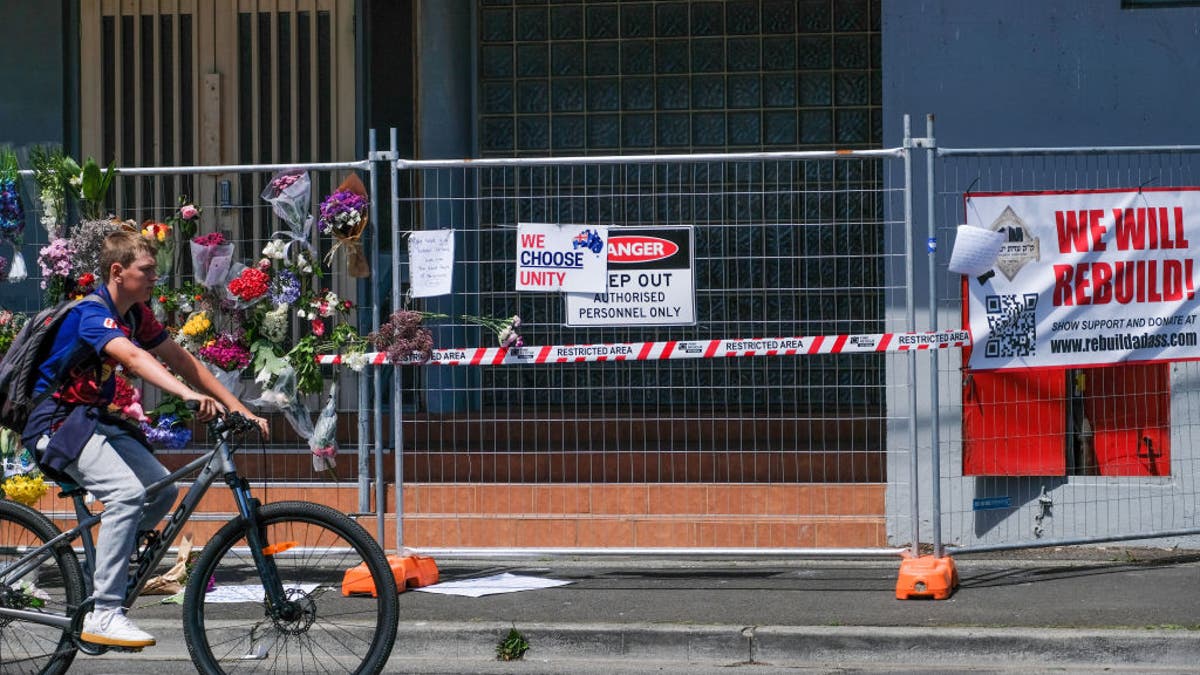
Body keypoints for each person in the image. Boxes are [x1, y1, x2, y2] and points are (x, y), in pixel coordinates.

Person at [21, 229, 269, 648]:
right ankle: (105, 612)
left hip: (91, 419)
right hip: (56, 424)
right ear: (118, 272)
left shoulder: (136, 314)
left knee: (158, 490)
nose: (156, 278)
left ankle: (107, 569)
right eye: (147, 270)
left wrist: (237, 406)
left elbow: (183, 360)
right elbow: (133, 357)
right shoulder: (93, 313)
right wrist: (186, 395)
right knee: (125, 494)